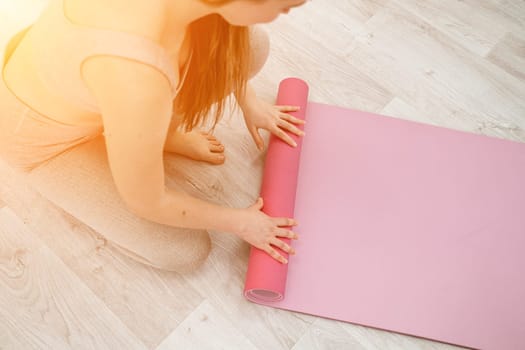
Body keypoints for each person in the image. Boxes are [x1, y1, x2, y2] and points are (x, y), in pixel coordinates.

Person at [0, 0, 308, 271]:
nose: (294, 7)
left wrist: (250, 102)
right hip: (44, 141)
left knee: (253, 46)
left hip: (88, 89)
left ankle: (144, 136)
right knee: (183, 252)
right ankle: (137, 137)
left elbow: (221, 41)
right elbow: (149, 202)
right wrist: (242, 222)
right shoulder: (135, 80)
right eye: (285, 4)